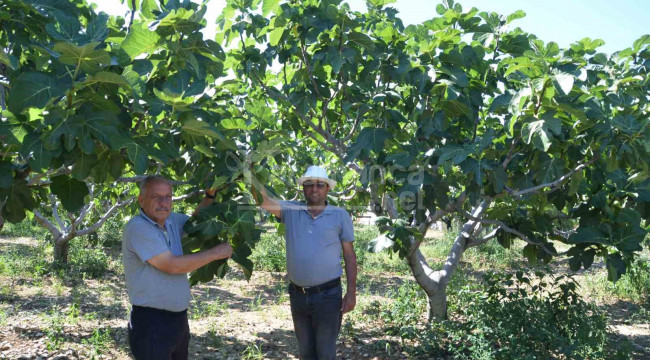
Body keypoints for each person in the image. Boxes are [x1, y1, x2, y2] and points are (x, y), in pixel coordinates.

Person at [252, 165, 357, 360]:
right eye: (309, 185)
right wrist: (249, 173)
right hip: (298, 295)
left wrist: (351, 293)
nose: (314, 189)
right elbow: (263, 201)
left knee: (325, 353)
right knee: (306, 352)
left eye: (320, 185)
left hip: (328, 295)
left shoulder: (340, 215)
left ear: (328, 189)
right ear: (303, 188)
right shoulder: (291, 211)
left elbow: (350, 255)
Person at [122, 175, 233, 360]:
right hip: (151, 323)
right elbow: (171, 265)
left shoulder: (171, 220)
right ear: (141, 200)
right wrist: (215, 253)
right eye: (156, 196)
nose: (163, 202)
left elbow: (195, 223)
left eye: (168, 197)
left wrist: (210, 196)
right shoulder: (138, 228)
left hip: (177, 320)